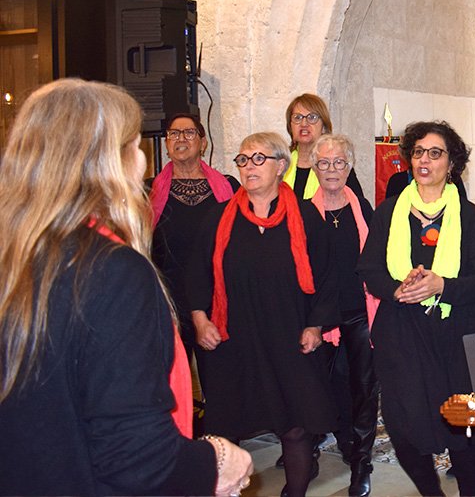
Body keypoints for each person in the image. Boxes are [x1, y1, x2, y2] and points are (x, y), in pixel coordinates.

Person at [0, 79, 252, 496]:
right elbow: (135, 456)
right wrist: (217, 460)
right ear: (107, 163)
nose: (143, 165)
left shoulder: (17, 255)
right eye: (136, 148)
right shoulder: (110, 271)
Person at [357, 121, 475, 497]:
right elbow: (369, 268)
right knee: (403, 424)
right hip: (402, 335)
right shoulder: (389, 211)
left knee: (464, 428)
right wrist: (398, 290)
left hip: (455, 333)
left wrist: (441, 285)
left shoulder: (471, 216)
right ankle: (431, 492)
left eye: (435, 152)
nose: (425, 160)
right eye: (418, 152)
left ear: (451, 163)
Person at [188, 132, 337, 497]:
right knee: (224, 428)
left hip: (289, 337)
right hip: (233, 339)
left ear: (280, 166)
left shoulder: (305, 217)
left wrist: (316, 325)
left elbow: (330, 276)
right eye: (242, 159)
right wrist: (200, 319)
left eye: (258, 159)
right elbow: (195, 274)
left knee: (296, 425)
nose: (248, 167)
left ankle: (296, 492)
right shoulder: (218, 218)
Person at [308, 134, 378, 497]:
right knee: (331, 387)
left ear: (349, 167)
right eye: (324, 163)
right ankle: (347, 442)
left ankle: (361, 461)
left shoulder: (363, 208)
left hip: (360, 313)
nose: (331, 170)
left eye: (338, 163)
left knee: (364, 388)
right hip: (323, 318)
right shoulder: (304, 212)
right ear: (314, 167)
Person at [150, 113, 239, 365]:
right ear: (167, 145)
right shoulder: (148, 191)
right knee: (172, 390)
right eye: (174, 134)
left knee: (222, 386)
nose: (181, 139)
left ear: (203, 143)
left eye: (189, 133)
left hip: (217, 301)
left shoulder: (229, 188)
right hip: (168, 304)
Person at [283, 93, 366, 201]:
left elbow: (356, 205)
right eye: (297, 118)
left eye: (312, 117)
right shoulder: (281, 164)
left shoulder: (337, 165)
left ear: (323, 127)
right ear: (290, 126)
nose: (304, 123)